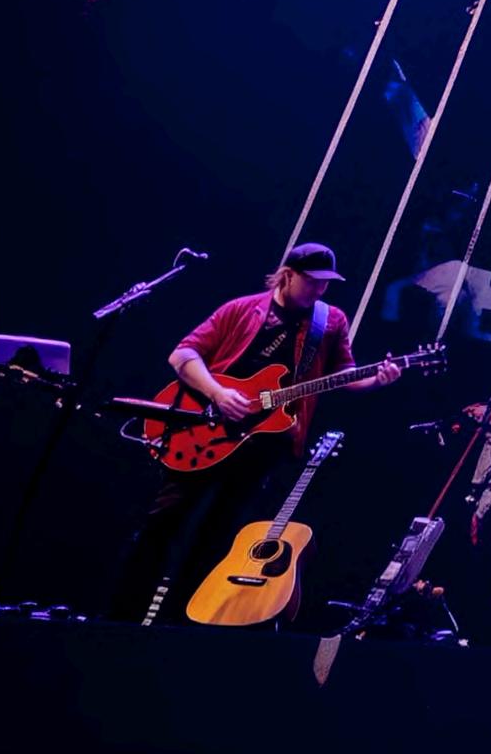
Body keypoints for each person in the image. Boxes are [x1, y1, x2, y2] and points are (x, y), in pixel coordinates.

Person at [107, 242, 400, 623]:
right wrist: (219, 393)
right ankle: (120, 619)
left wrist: (377, 380)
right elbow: (182, 355)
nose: (320, 289)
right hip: (207, 431)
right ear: (288, 274)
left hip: (264, 443)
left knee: (220, 536)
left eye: (326, 282)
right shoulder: (242, 309)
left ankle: (179, 623)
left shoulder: (330, 321)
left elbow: (344, 375)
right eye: (313, 281)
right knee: (163, 523)